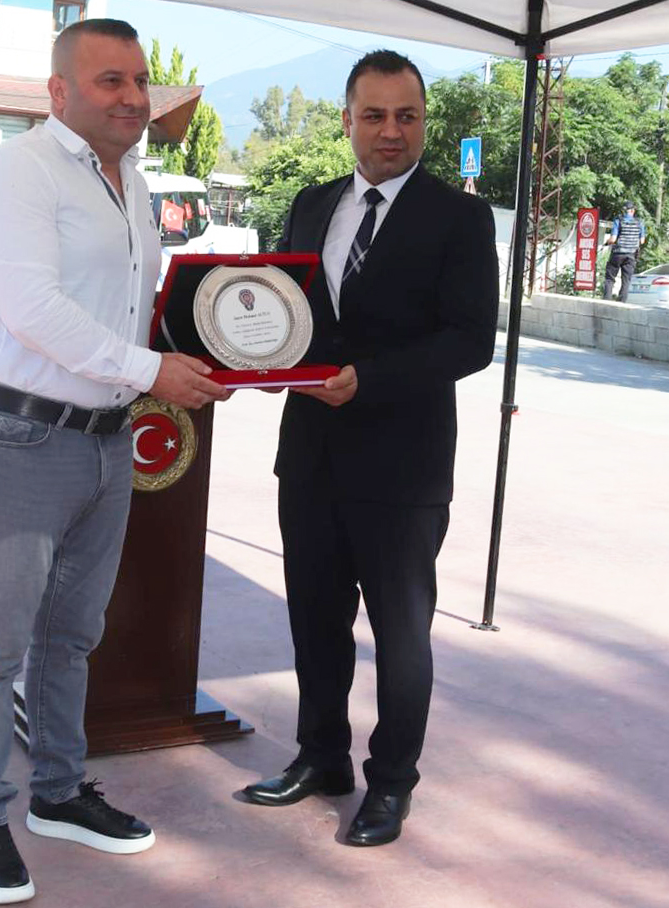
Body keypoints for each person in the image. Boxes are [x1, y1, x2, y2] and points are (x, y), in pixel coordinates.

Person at [0, 18, 228, 905]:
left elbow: (124, 308)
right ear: (59, 91)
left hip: (108, 439)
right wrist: (152, 372)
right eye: (111, 81)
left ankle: (59, 793)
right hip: (21, 438)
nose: (133, 97)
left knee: (72, 635)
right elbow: (34, 309)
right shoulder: (18, 171)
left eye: (140, 81)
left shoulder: (131, 182)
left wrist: (210, 352)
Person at [242, 50, 499, 847]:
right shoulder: (311, 204)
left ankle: (391, 784)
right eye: (376, 115)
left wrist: (370, 379)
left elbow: (471, 340)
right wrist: (256, 360)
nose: (392, 131)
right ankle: (321, 757)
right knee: (315, 619)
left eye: (407, 116)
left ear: (424, 122)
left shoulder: (459, 218)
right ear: (348, 119)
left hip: (403, 465)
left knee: (401, 633)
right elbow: (285, 312)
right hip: (310, 455)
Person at [603, 200, 646, 302]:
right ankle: (621, 302)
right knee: (626, 280)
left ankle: (606, 300)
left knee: (610, 278)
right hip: (631, 254)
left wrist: (606, 243)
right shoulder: (639, 222)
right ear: (633, 211)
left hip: (618, 253)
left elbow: (613, 239)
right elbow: (642, 241)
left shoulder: (618, 220)